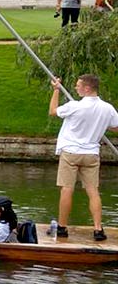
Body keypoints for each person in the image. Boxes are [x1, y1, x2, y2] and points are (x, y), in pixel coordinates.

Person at [49, 74, 118, 241]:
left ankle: (63, 227)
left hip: (71, 153)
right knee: (93, 191)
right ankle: (98, 229)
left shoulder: (74, 106)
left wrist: (56, 90)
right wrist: (100, 125)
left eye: (78, 85)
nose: (75, 87)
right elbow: (116, 128)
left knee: (67, 189)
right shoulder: (107, 109)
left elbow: (52, 111)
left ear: (87, 88)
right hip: (91, 154)